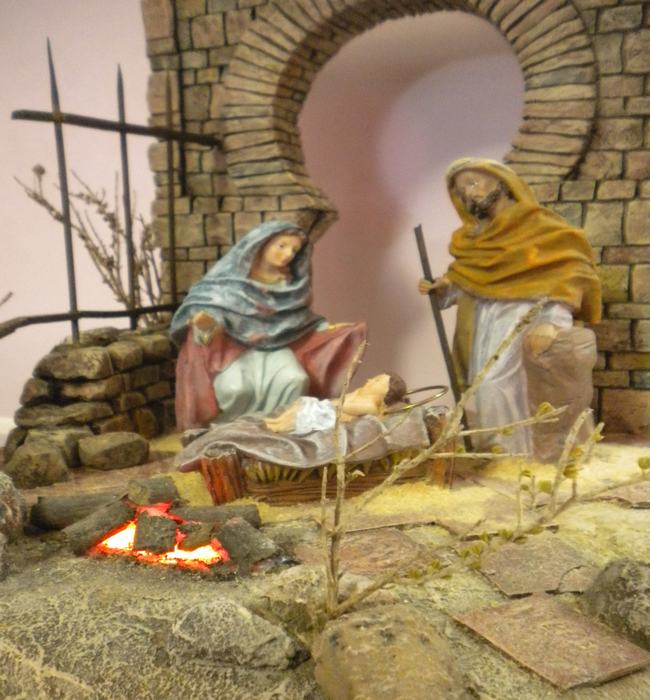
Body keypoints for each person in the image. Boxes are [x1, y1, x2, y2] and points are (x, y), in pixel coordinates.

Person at [418, 158, 601, 454]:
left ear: (502, 181)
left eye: (473, 182)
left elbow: (568, 272)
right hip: (483, 322)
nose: (469, 193)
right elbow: (471, 280)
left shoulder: (541, 227)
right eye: (462, 191)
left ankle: (515, 453)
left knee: (499, 385)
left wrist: (552, 321)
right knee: (482, 388)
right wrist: (445, 289)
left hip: (525, 317)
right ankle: (499, 452)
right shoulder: (473, 239)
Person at [171, 220, 366, 430]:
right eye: (282, 245)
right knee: (235, 388)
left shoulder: (291, 285)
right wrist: (206, 324)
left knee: (295, 379)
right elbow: (206, 314)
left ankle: (278, 428)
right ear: (261, 243)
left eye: (294, 250)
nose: (288, 254)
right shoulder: (226, 282)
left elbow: (296, 318)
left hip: (275, 347)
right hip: (232, 350)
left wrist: (324, 328)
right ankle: (231, 431)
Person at [264, 372, 407, 434]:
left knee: (307, 410)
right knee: (303, 403)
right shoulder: (360, 393)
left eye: (377, 381)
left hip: (331, 418)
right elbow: (341, 399)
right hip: (329, 409)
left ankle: (281, 426)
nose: (370, 380)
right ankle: (278, 421)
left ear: (386, 391)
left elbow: (343, 406)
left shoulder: (370, 406)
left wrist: (327, 404)